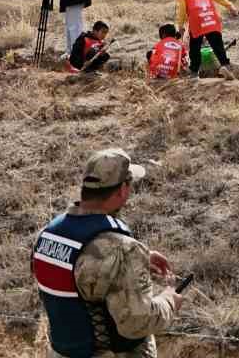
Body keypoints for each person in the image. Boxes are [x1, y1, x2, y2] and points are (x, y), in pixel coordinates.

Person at [31, 148, 181, 358]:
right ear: (122, 189)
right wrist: (169, 300)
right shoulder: (122, 249)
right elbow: (137, 323)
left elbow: (75, 278)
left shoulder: (47, 235)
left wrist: (140, 259)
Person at [174, 0, 235, 79]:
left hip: (196, 21)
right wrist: (229, 6)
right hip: (211, 18)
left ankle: (194, 72)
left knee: (195, 47)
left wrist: (180, 25)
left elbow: (182, 9)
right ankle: (226, 66)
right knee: (217, 44)